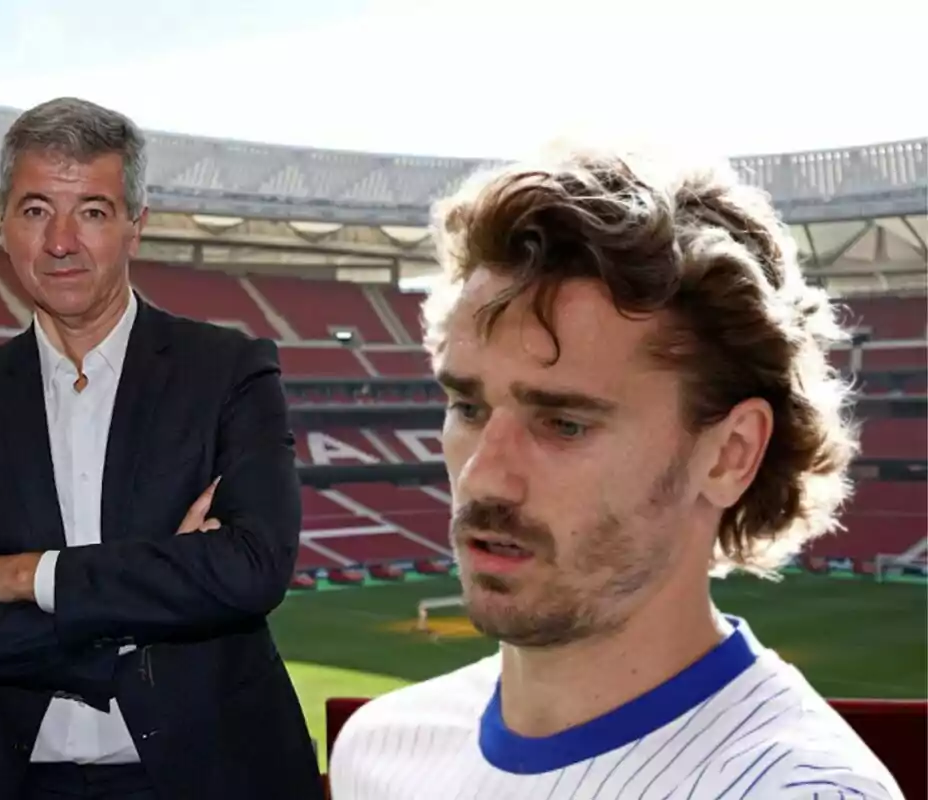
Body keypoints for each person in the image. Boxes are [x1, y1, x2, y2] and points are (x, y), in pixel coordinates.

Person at [328, 147, 906, 799]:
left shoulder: (797, 790)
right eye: (468, 406)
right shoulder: (380, 750)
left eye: (564, 423)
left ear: (729, 454)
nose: (484, 479)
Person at [0, 97, 322, 800]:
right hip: (12, 779)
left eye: (91, 210)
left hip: (209, 774)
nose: (60, 241)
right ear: (2, 227)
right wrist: (138, 607)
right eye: (34, 210)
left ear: (134, 227)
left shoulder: (229, 370)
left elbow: (252, 568)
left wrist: (30, 577)